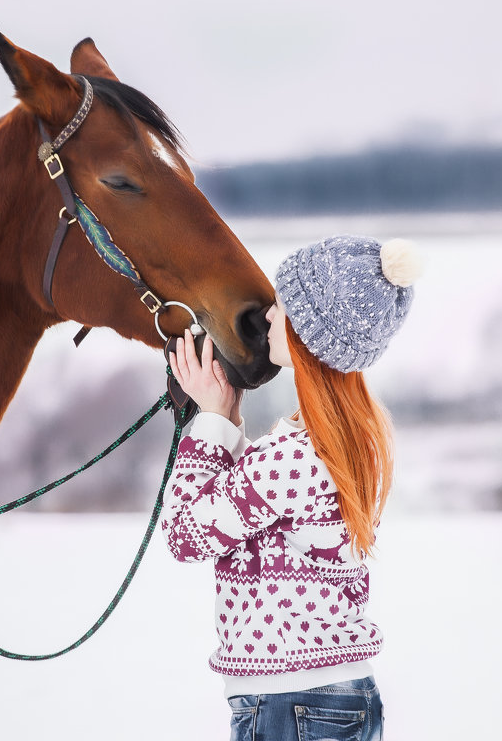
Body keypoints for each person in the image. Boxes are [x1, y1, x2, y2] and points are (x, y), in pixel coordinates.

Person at [163, 235, 421, 741]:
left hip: (290, 704)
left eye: (282, 307)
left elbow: (186, 535)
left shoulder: (292, 456)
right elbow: (258, 522)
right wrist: (228, 424)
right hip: (328, 700)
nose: (269, 318)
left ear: (311, 332)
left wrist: (212, 421)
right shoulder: (345, 443)